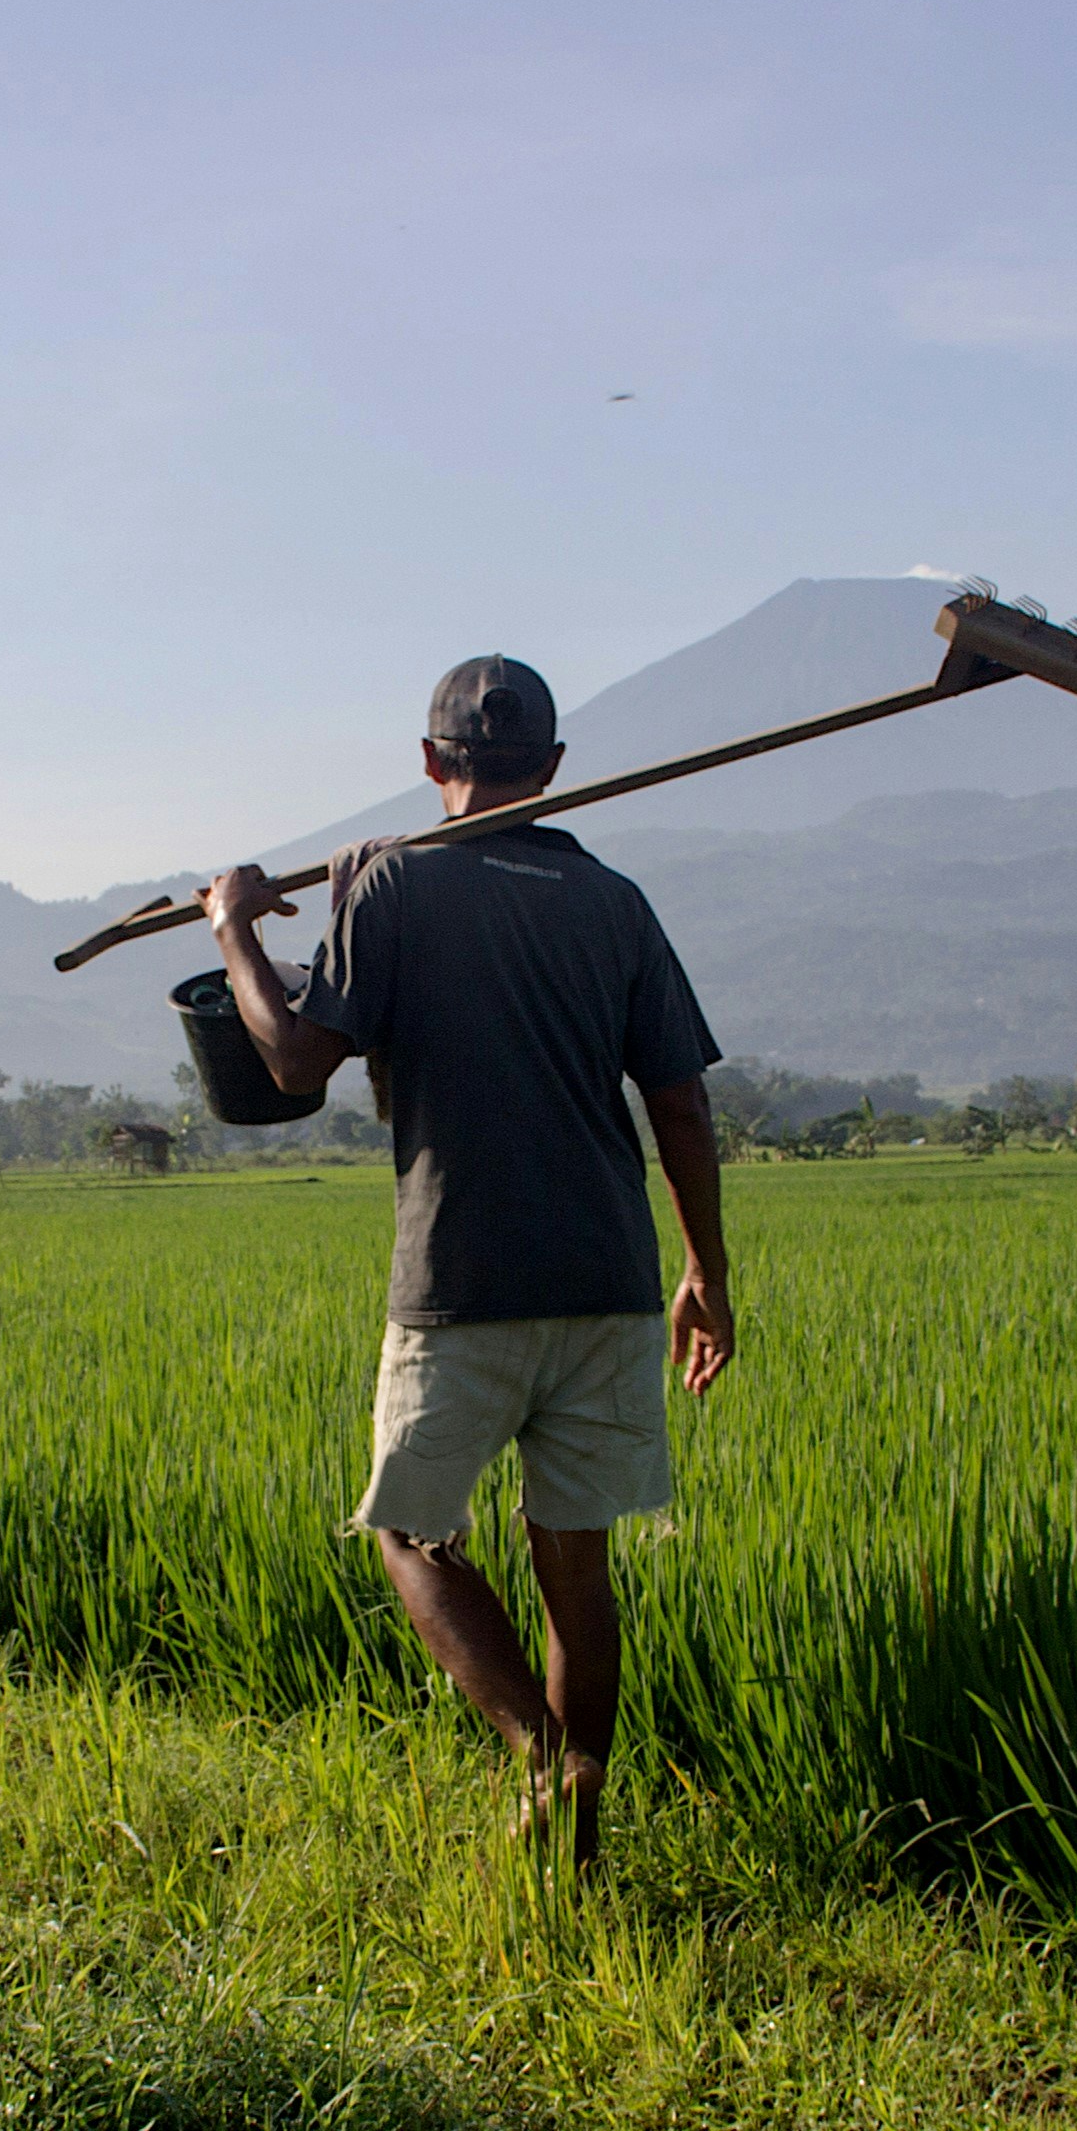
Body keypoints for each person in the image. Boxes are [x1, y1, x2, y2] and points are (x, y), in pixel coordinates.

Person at [198, 654, 734, 1871]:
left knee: (408, 1534)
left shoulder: (391, 886)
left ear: (433, 762)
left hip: (460, 1281)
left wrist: (234, 928)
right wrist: (705, 1267)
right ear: (549, 769)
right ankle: (576, 1836)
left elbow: (291, 1061)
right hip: (609, 1278)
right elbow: (683, 1108)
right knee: (575, 1561)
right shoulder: (616, 904)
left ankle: (546, 1757)